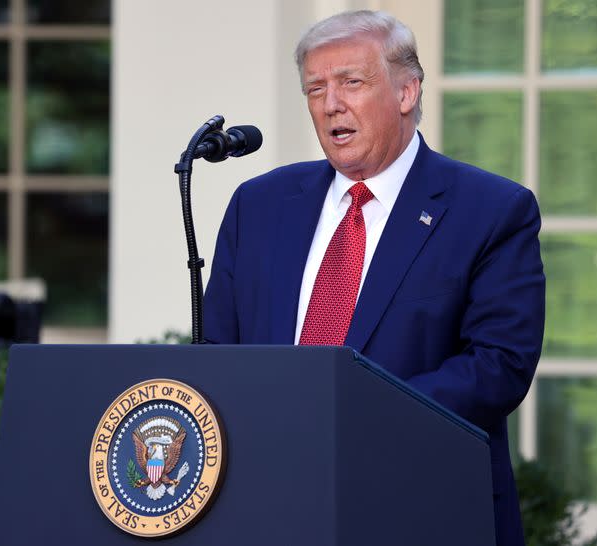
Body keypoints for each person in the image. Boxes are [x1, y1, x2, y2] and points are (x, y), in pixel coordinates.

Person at [202, 10, 544, 546]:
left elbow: (498, 366)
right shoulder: (259, 206)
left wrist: (350, 415)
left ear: (407, 92)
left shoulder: (492, 210)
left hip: (418, 508)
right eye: (315, 88)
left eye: (351, 82)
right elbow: (218, 353)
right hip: (269, 508)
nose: (331, 103)